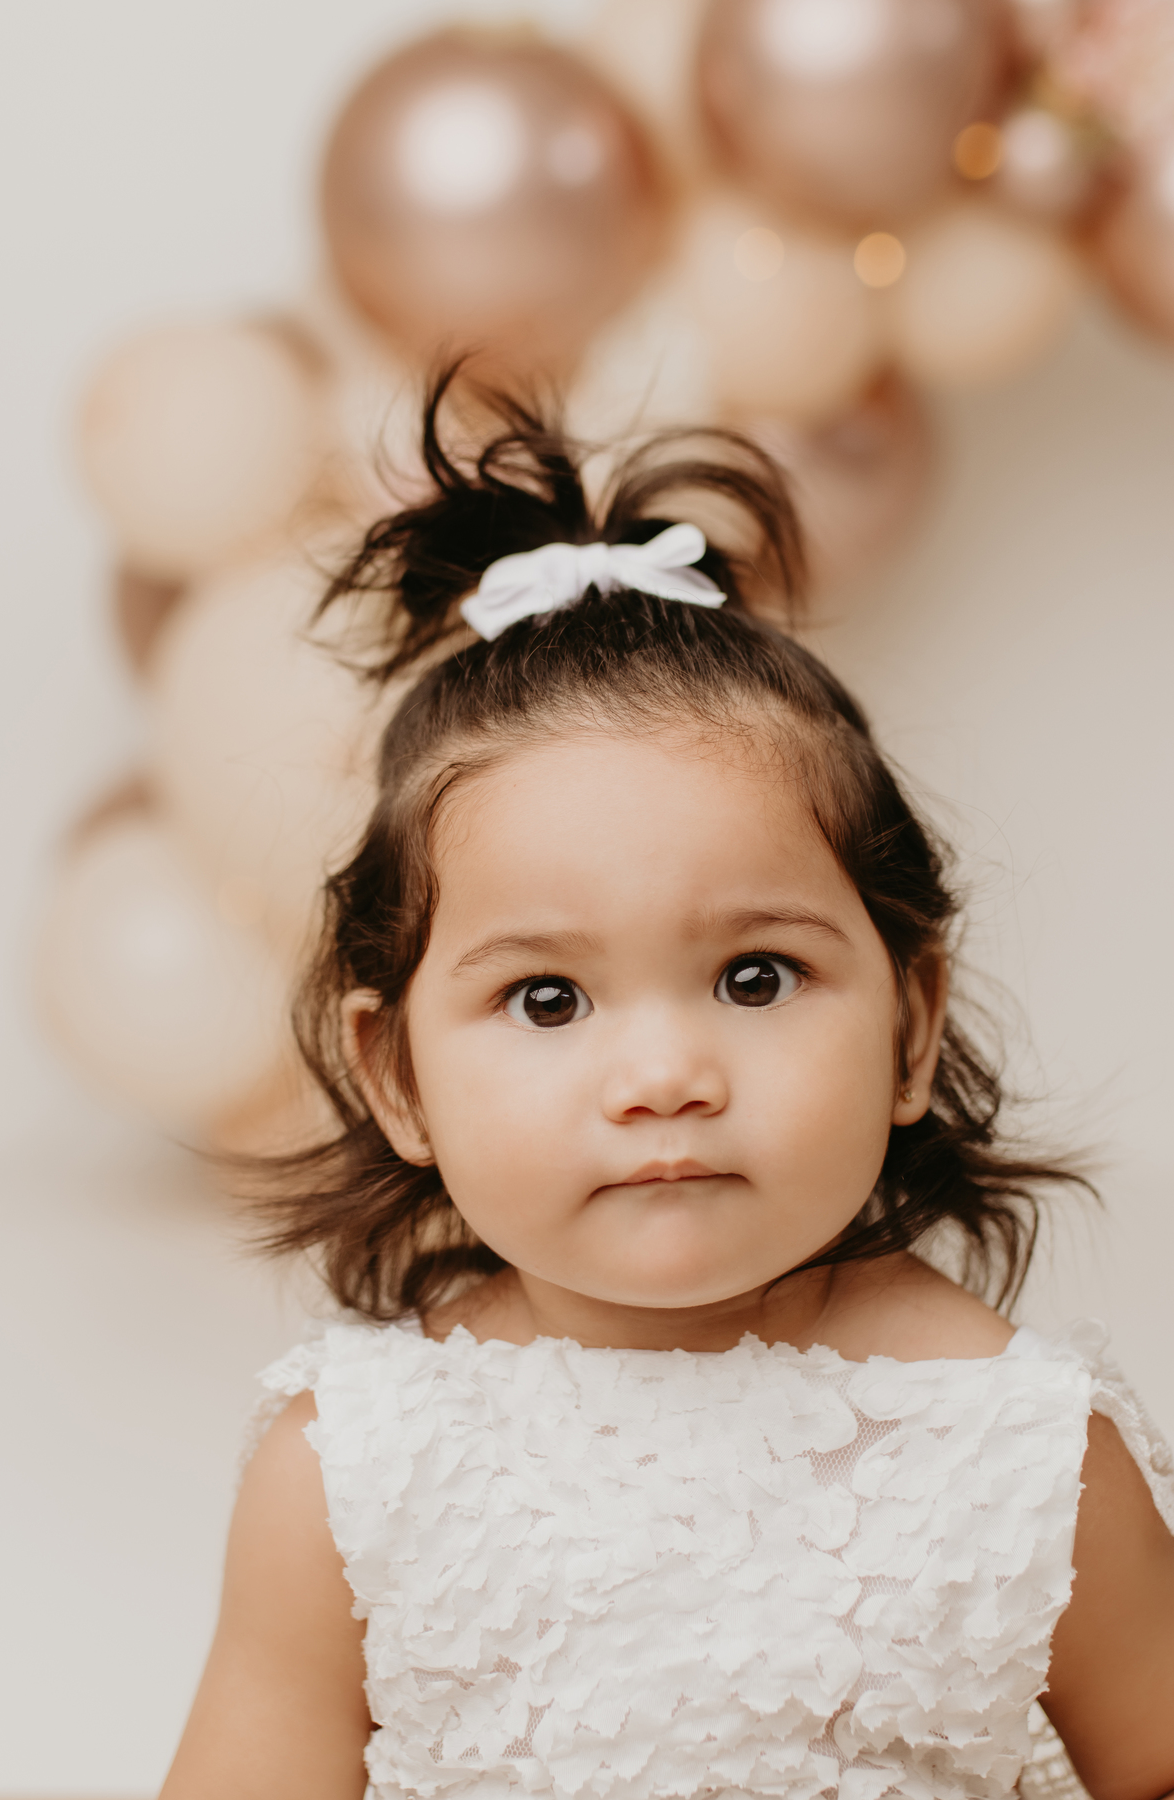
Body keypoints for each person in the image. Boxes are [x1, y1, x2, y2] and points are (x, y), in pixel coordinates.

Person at [160, 376, 1174, 1800]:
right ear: (396, 1077)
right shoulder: (355, 1474)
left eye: (755, 978)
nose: (662, 1077)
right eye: (548, 999)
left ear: (909, 1027)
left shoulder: (1018, 1449)